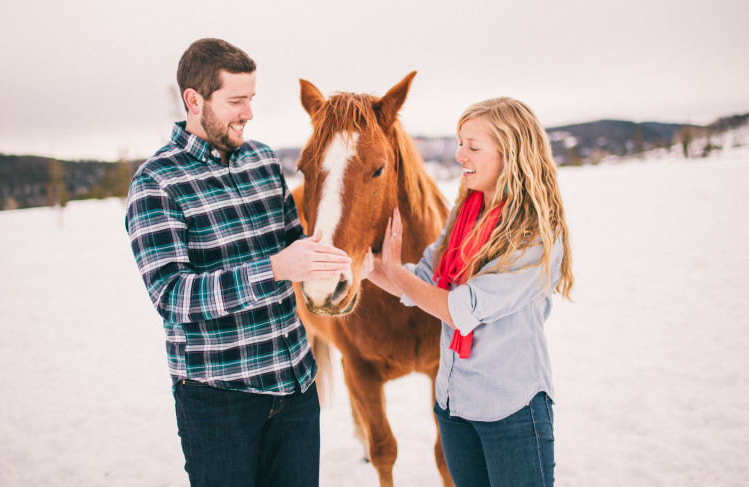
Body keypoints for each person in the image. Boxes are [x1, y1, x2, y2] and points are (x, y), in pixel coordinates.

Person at [125, 38, 351, 487]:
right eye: (235, 101)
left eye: (251, 99)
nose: (248, 112)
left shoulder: (263, 161)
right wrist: (273, 270)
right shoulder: (157, 184)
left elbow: (293, 245)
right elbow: (172, 297)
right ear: (194, 100)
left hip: (296, 384)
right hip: (220, 400)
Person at [365, 97, 574, 487]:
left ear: (511, 153)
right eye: (460, 142)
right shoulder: (465, 215)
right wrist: (366, 267)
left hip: (511, 411)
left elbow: (459, 309)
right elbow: (423, 281)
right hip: (454, 405)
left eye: (473, 147)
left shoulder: (536, 235)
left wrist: (392, 268)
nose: (459, 154)